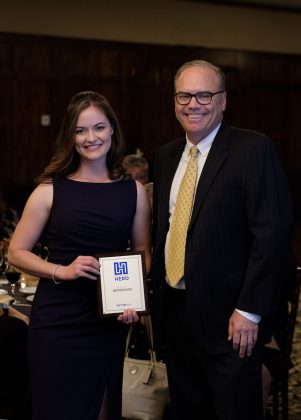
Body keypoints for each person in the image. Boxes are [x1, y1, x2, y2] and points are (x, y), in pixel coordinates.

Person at [151, 60, 293, 420]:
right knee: (187, 410)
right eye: (184, 94)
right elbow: (163, 231)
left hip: (231, 320)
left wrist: (249, 309)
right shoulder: (165, 157)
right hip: (177, 313)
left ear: (223, 100)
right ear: (174, 99)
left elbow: (272, 236)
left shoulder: (252, 150)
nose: (192, 104)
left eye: (204, 94)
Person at [8, 91, 151, 420]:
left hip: (108, 323)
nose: (91, 138)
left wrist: (135, 302)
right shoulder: (50, 190)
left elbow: (143, 255)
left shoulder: (134, 191)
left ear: (112, 130)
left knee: (101, 410)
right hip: (57, 323)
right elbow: (16, 251)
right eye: (80, 130)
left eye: (99, 128)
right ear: (70, 136)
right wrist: (64, 271)